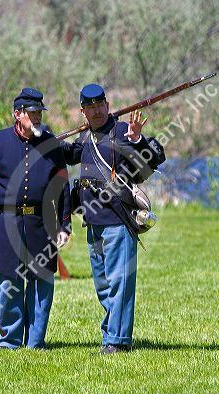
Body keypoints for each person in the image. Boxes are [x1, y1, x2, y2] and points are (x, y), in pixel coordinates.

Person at [61, 83, 165, 354]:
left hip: (118, 220)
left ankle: (117, 341)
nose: (96, 112)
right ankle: (112, 334)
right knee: (104, 286)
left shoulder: (122, 131)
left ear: (107, 105)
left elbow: (155, 156)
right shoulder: (86, 139)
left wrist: (136, 140)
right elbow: (65, 154)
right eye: (90, 108)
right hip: (93, 223)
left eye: (100, 106)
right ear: (83, 112)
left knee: (120, 283)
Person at [0, 87, 71, 350]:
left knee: (42, 285)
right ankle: (10, 342)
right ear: (17, 114)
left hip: (42, 223)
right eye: (32, 112)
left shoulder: (50, 143)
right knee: (8, 284)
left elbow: (63, 186)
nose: (37, 117)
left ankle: (35, 343)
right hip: (6, 223)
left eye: (39, 112)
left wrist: (65, 224)